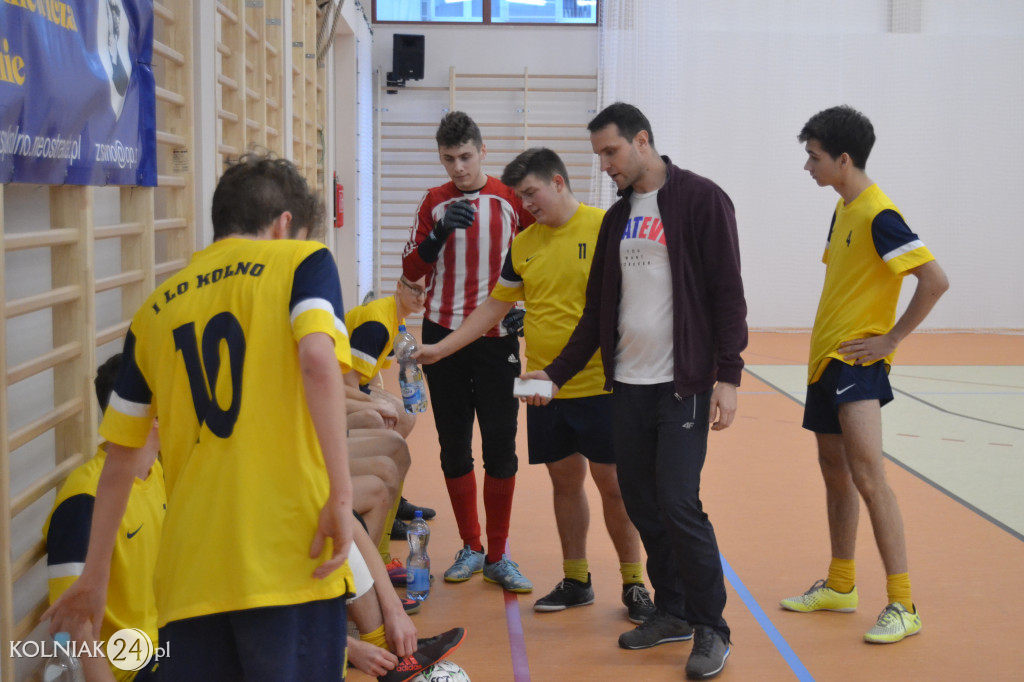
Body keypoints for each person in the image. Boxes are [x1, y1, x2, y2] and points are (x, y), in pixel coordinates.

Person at [45, 151, 356, 681]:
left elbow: (121, 457)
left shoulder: (155, 309)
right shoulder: (304, 262)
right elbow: (317, 362)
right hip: (287, 555)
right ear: (286, 225)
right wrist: (342, 496)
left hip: (189, 578)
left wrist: (95, 576)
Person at [522, 103, 747, 680]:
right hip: (628, 385)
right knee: (644, 504)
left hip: (684, 385)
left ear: (642, 142)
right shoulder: (617, 218)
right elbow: (598, 310)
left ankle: (712, 627)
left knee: (678, 501)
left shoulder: (701, 199)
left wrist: (729, 375)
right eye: (599, 155)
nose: (605, 166)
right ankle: (671, 610)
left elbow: (727, 293)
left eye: (611, 152)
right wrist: (555, 374)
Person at [416, 147, 655, 624]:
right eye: (521, 198)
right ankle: (577, 579)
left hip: (602, 384)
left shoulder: (605, 226)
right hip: (543, 386)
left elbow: (636, 301)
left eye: (531, 194)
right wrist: (442, 349)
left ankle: (635, 583)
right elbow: (493, 308)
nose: (526, 206)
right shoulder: (524, 245)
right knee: (564, 483)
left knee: (613, 485)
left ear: (559, 182)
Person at [780, 105, 949, 644]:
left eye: (814, 157)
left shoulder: (879, 213)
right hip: (824, 361)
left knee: (869, 477)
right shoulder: (843, 210)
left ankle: (904, 605)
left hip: (857, 365)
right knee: (836, 474)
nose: (808, 167)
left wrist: (891, 340)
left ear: (843, 159)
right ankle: (841, 584)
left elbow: (934, 280)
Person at [401, 111, 535, 593]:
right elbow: (411, 268)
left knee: (501, 446)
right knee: (453, 444)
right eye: (448, 159)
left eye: (465, 157)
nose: (457, 167)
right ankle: (471, 545)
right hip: (442, 339)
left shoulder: (509, 201)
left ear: (482, 151)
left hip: (497, 339)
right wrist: (438, 235)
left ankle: (499, 554)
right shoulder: (433, 202)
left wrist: (527, 308)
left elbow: (537, 259)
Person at [43, 354, 164, 682]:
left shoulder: (158, 474)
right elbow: (72, 626)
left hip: (165, 646)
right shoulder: (84, 498)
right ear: (151, 415)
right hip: (131, 670)